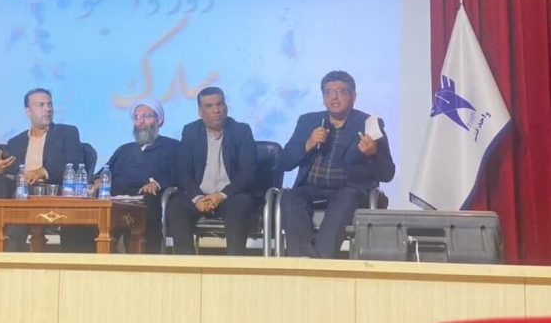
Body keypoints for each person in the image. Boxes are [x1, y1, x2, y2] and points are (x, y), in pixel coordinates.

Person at [279, 70, 395, 258]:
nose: (334, 97)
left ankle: (320, 261)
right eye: (328, 92)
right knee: (290, 197)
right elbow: (284, 162)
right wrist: (308, 144)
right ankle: (303, 259)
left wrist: (373, 153)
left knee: (346, 197)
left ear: (353, 96)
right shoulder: (308, 121)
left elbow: (388, 173)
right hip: (311, 188)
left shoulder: (369, 123)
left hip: (348, 190)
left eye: (341, 91)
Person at [0, 88, 83, 252]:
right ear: (28, 111)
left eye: (50, 104)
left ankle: (10, 246)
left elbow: (73, 163)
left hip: (48, 191)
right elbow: (10, 172)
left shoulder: (67, 133)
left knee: (21, 197)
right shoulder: (16, 142)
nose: (48, 109)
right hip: (19, 191)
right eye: (41, 105)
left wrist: (41, 172)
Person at [167, 87, 257, 255]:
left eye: (220, 104)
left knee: (241, 204)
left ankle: (234, 263)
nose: (216, 110)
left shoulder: (241, 131)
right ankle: (186, 264)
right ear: (200, 112)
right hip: (200, 196)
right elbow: (182, 171)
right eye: (209, 106)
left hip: (230, 196)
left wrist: (221, 195)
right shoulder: (191, 131)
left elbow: (248, 172)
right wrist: (197, 198)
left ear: (226, 107)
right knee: (176, 206)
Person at [91, 98, 179, 253]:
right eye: (137, 117)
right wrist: (98, 181)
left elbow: (180, 174)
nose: (141, 122)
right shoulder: (124, 149)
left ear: (160, 120)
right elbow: (104, 172)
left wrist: (158, 184)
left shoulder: (173, 147)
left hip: (147, 198)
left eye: (146, 116)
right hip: (116, 198)